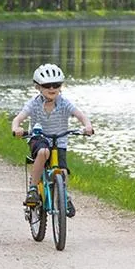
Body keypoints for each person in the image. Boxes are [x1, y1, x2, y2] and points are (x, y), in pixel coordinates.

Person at [10, 63, 94, 218]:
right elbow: (19, 118)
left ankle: (64, 197)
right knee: (43, 152)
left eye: (56, 85)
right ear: (38, 87)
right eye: (47, 85)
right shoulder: (34, 103)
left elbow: (80, 115)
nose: (52, 88)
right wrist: (16, 128)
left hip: (59, 140)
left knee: (62, 170)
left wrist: (87, 126)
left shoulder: (64, 103)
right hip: (39, 138)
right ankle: (33, 189)